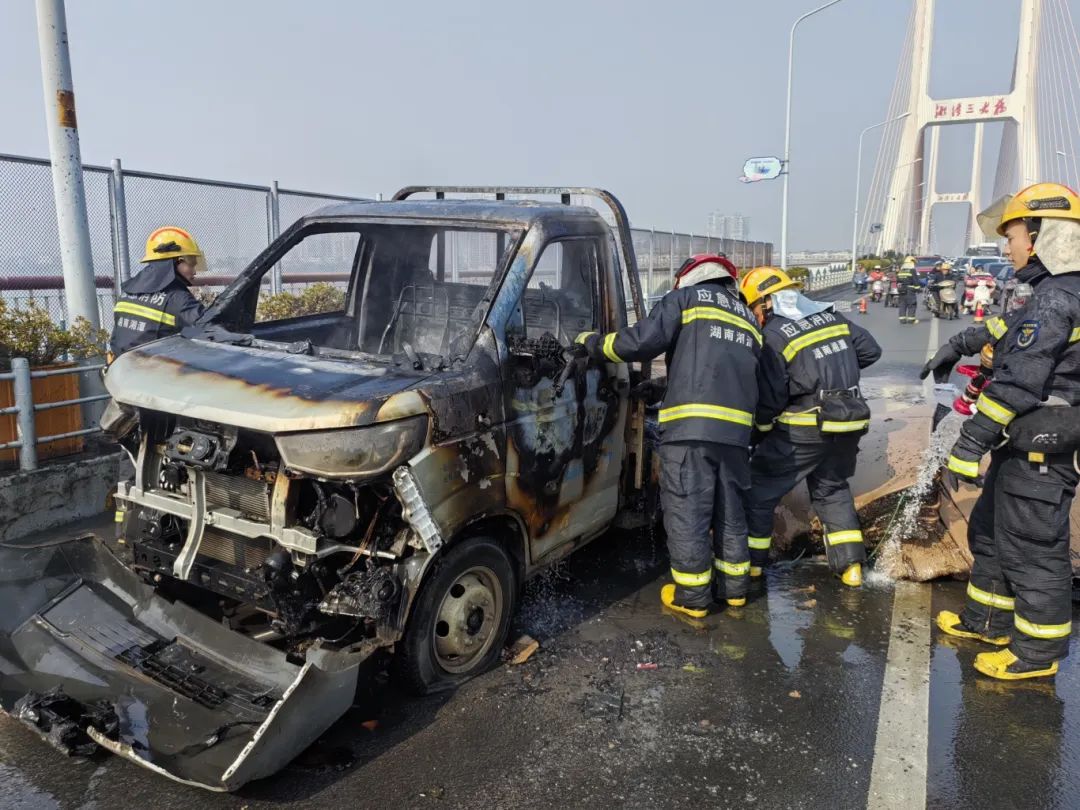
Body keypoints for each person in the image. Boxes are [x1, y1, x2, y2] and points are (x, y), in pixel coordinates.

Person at [933, 182, 1080, 681]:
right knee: (992, 532)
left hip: (1043, 445)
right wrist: (961, 342)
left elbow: (1018, 381)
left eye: (1013, 237)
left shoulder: (1057, 297)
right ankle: (987, 622)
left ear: (1042, 237)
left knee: (1033, 548)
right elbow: (1010, 328)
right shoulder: (1055, 293)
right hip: (1026, 443)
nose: (1008, 248)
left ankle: (1036, 655)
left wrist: (969, 444)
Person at [574, 255, 762, 617]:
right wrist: (661, 388)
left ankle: (692, 598)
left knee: (688, 509)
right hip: (736, 439)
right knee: (730, 511)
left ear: (689, 278)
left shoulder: (686, 299)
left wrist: (593, 344)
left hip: (690, 435)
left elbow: (641, 342)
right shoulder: (749, 320)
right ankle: (735, 590)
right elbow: (719, 373)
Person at [739, 267, 882, 587]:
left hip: (804, 428)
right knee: (832, 490)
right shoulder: (832, 317)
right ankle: (851, 568)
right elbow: (871, 351)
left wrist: (758, 432)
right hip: (849, 421)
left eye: (753, 308)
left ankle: (753, 566)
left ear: (765, 303)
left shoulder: (774, 335)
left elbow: (771, 400)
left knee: (759, 491)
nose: (754, 316)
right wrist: (836, 371)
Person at [110, 226, 206, 357]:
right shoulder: (177, 298)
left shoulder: (128, 292)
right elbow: (209, 327)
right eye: (191, 263)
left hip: (121, 364)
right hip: (156, 367)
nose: (194, 271)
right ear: (175, 262)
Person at [896, 256, 920, 324]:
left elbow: (898, 281)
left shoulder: (901, 270)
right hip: (910, 291)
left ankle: (902, 320)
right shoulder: (912, 270)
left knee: (902, 305)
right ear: (912, 262)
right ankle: (911, 320)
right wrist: (918, 289)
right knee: (912, 305)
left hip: (901, 290)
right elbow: (915, 281)